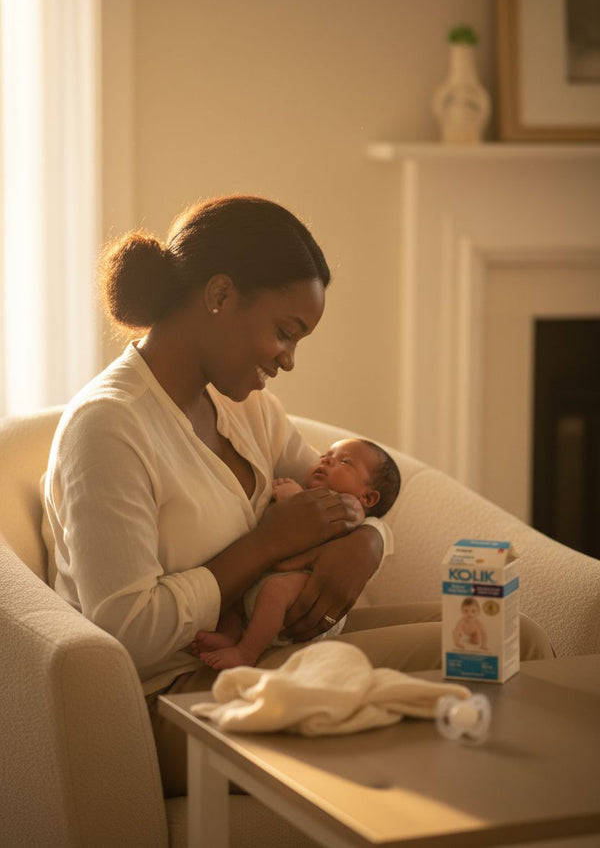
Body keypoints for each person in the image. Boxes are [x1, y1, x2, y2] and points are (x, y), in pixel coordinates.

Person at [44, 195, 554, 797]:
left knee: (515, 635)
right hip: (175, 700)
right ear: (220, 295)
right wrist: (265, 546)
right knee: (505, 652)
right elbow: (127, 629)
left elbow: (344, 493)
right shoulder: (109, 427)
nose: (288, 360)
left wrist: (366, 539)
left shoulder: (247, 408)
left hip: (269, 656)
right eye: (285, 333)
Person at [191, 438, 401, 670]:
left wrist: (294, 498)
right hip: (272, 584)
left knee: (275, 591)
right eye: (325, 455)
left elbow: (315, 527)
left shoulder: (350, 507)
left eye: (345, 461)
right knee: (237, 593)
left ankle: (247, 651)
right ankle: (231, 636)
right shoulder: (314, 490)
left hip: (307, 601)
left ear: (368, 497)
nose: (327, 459)